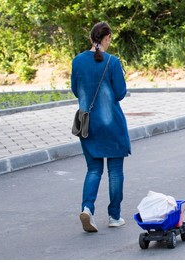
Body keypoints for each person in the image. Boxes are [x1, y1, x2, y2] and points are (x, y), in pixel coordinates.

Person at [71, 22, 131, 233]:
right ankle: (114, 216)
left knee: (94, 170)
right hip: (112, 126)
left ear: (91, 38)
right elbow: (120, 93)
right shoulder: (112, 62)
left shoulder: (77, 61)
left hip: (88, 125)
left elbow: (75, 90)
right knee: (115, 172)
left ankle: (87, 208)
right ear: (107, 39)